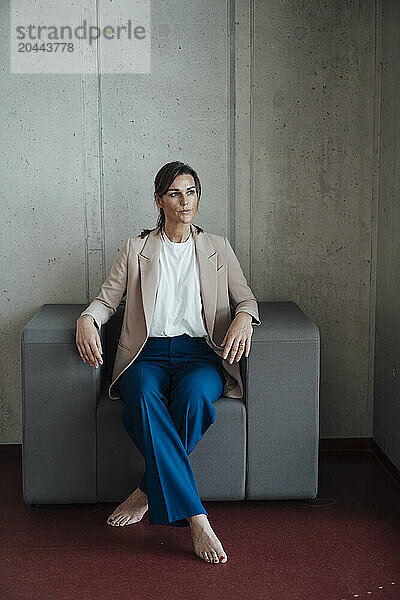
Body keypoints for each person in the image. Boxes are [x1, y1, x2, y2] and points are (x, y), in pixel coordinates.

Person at [75, 161, 261, 564]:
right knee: (141, 396)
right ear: (159, 200)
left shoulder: (218, 247)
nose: (184, 201)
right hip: (148, 355)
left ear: (198, 197)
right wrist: (87, 318)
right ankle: (197, 518)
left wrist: (244, 318)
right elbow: (108, 299)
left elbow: (245, 298)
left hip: (200, 355)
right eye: (174, 193)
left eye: (190, 191)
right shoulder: (136, 248)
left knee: (196, 398)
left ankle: (147, 490)